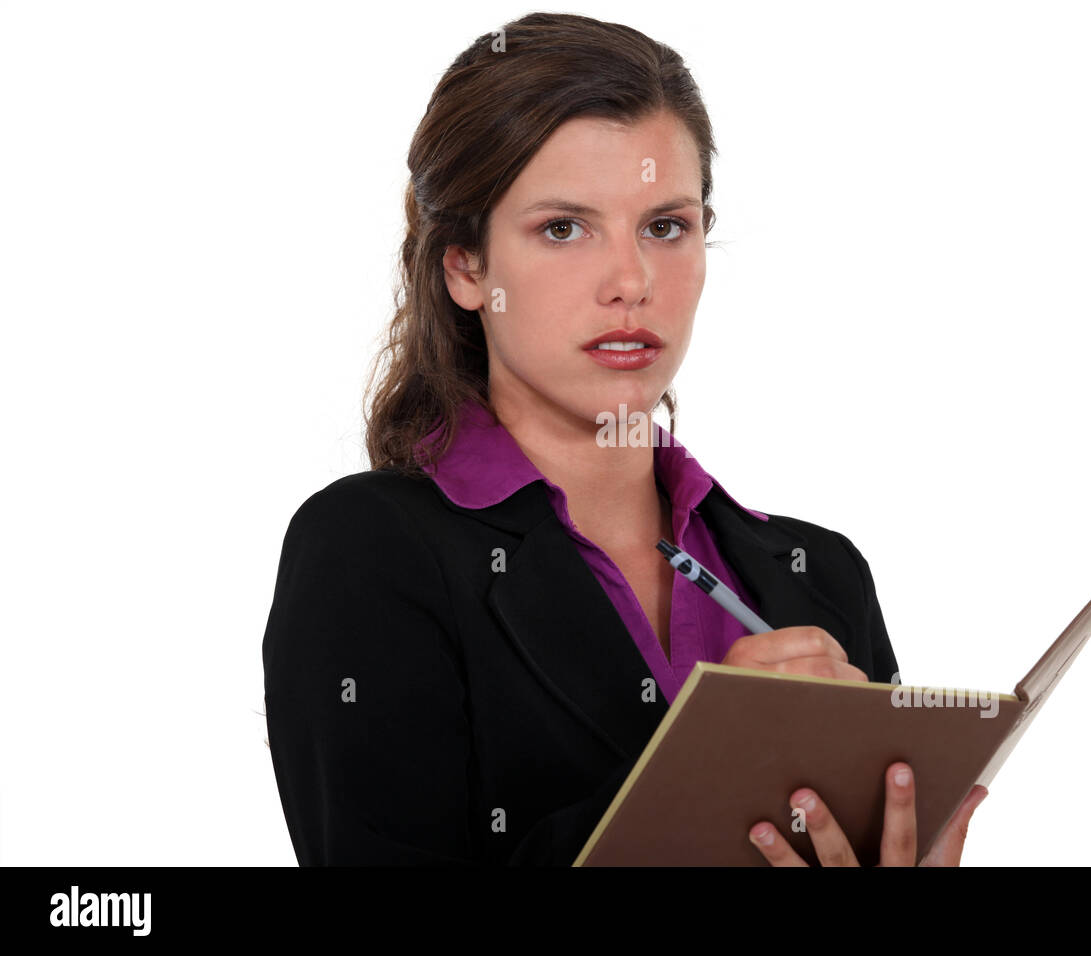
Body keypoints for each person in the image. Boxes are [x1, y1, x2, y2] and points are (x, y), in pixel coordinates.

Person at [261, 11, 987, 867]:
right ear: (466, 267)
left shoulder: (822, 578)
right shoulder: (371, 549)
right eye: (563, 228)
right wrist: (709, 769)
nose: (632, 282)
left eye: (665, 226)